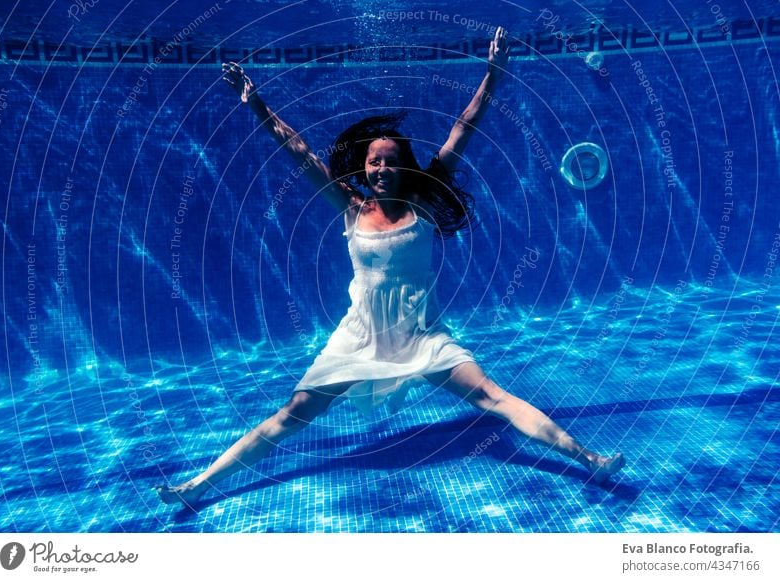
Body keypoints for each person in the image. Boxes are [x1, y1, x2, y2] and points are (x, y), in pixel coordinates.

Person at [157, 27, 624, 507]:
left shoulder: (422, 200)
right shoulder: (350, 207)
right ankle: (198, 485)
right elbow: (296, 149)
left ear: (405, 166)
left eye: (390, 161)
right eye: (373, 162)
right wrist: (254, 102)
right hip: (359, 335)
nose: (381, 169)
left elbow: (463, 126)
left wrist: (494, 75)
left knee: (492, 396)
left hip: (421, 333)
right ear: (363, 169)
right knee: (291, 415)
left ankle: (589, 459)